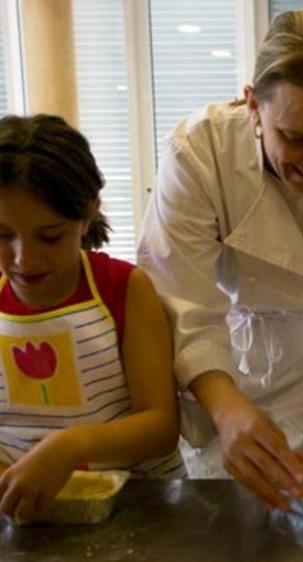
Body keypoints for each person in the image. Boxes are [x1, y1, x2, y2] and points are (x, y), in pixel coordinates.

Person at [137, 10, 303, 524]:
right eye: (297, 139)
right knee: (226, 525)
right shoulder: (200, 151)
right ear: (253, 105)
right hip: (221, 363)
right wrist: (226, 407)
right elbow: (185, 306)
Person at [0, 115, 183, 523]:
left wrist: (68, 446)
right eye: (2, 235)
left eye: (50, 236)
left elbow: (160, 426)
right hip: (22, 513)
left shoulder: (123, 287)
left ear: (87, 214)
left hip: (132, 509)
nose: (23, 259)